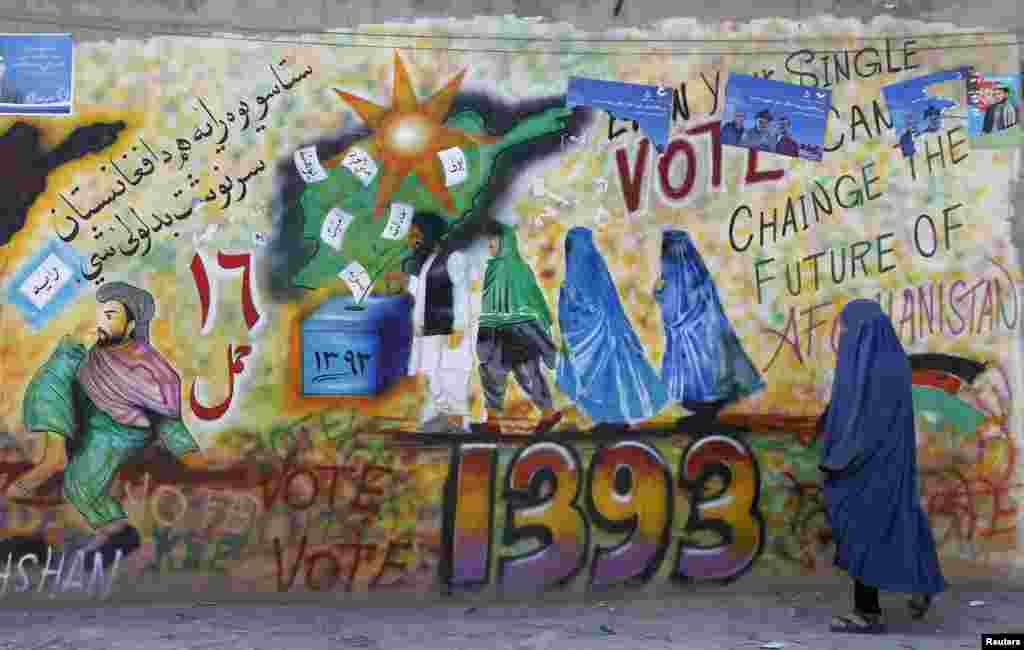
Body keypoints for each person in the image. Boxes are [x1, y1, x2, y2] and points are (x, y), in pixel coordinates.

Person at [5, 282, 222, 567]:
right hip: (85, 424)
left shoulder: (149, 367)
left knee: (79, 484)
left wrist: (190, 454)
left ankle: (115, 533)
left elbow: (165, 418)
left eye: (111, 316)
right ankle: (52, 481)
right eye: (102, 315)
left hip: (120, 432)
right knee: (54, 376)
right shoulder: (95, 354)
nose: (102, 323)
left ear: (131, 324)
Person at [818, 299, 946, 634]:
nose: (845, 334)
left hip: (862, 467)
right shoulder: (893, 363)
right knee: (900, 523)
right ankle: (921, 582)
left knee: (861, 533)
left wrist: (837, 459)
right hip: (893, 466)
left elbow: (861, 422)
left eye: (848, 328)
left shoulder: (865, 368)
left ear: (862, 330)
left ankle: (867, 613)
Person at [555, 227, 668, 429]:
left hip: (601, 338)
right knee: (612, 380)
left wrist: (567, 299)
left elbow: (588, 307)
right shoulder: (594, 265)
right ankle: (611, 419)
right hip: (607, 335)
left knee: (606, 380)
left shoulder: (582, 272)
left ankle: (613, 420)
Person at [655, 230, 765, 426]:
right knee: (705, 380)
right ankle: (705, 413)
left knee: (699, 383)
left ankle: (705, 414)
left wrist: (659, 293)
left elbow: (675, 312)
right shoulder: (698, 275)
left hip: (696, 350)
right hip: (706, 346)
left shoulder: (678, 276)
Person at [476, 221, 562, 434]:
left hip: (519, 330)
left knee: (527, 374)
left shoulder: (517, 268)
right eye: (489, 241)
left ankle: (548, 413)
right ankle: (493, 420)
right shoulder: (493, 269)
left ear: (505, 241)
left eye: (494, 240)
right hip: (497, 330)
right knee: (492, 374)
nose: (490, 245)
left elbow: (533, 298)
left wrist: (539, 323)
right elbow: (489, 304)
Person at [405, 213, 475, 433]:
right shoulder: (423, 262)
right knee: (430, 374)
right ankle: (440, 418)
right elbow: (418, 298)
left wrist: (460, 327)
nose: (411, 240)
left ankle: (455, 423)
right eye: (411, 235)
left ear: (429, 234)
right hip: (428, 331)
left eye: (416, 235)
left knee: (450, 375)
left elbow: (462, 294)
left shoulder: (454, 257)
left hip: (448, 330)